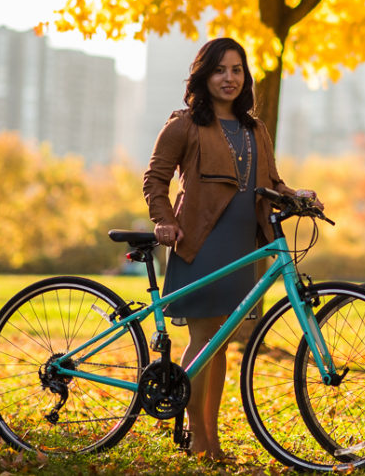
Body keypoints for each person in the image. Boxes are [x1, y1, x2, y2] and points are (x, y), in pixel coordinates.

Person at [143, 37, 318, 461]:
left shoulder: (255, 128)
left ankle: (210, 435)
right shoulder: (183, 124)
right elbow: (155, 179)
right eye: (220, 70)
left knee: (219, 345)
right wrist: (164, 221)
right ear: (204, 76)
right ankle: (199, 439)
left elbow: (271, 182)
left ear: (246, 76)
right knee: (204, 339)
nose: (229, 78)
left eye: (237, 69)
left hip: (243, 247)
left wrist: (298, 195)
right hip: (199, 244)